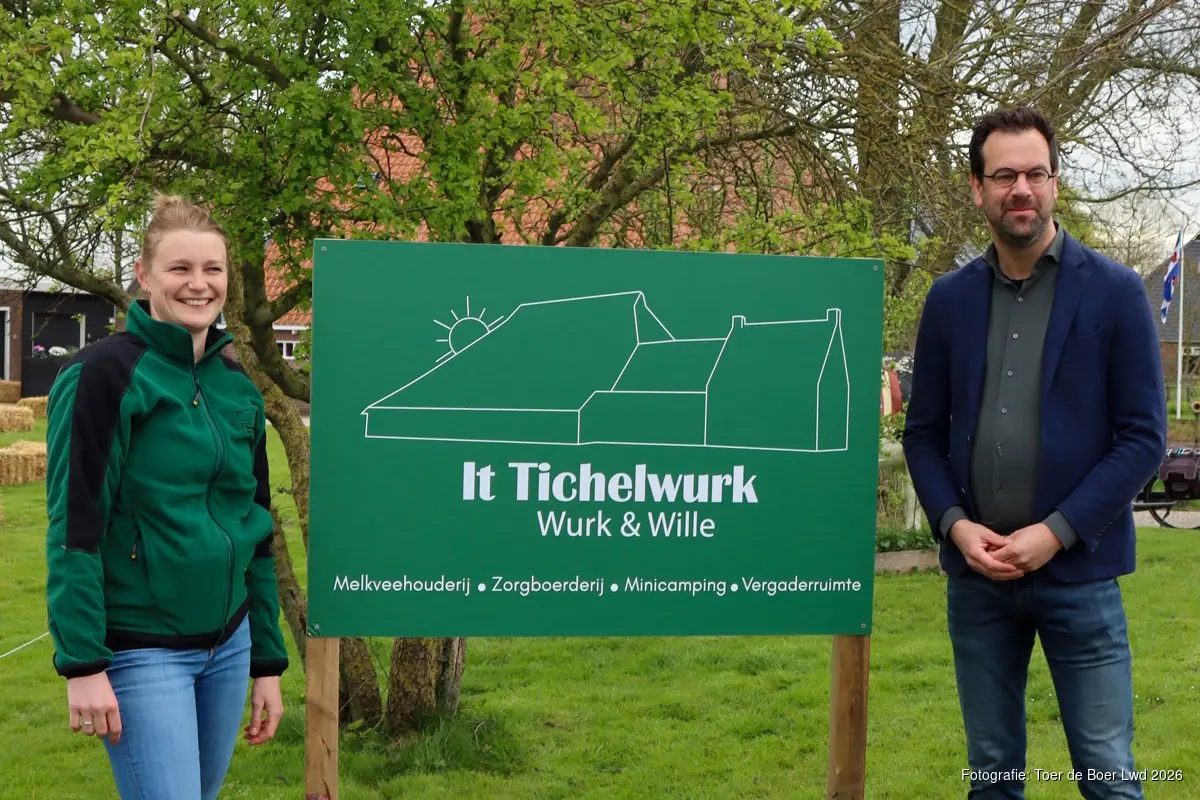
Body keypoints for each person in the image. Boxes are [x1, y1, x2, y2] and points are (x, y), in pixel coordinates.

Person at [903, 106, 1166, 799]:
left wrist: (1054, 533)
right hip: (979, 579)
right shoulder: (949, 300)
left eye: (1035, 173)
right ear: (977, 188)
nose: (1021, 189)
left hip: (1080, 573)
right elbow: (922, 433)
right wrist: (956, 528)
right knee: (991, 773)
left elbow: (1143, 437)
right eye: (1004, 176)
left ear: (1054, 181)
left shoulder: (1115, 292)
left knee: (1107, 774)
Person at [45, 193, 289, 799]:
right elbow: (75, 528)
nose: (198, 284)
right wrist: (83, 664)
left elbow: (255, 529)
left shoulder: (237, 387)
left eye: (213, 269)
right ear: (145, 275)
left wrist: (265, 661)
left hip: (229, 646)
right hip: (142, 650)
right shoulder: (102, 376)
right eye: (180, 268)